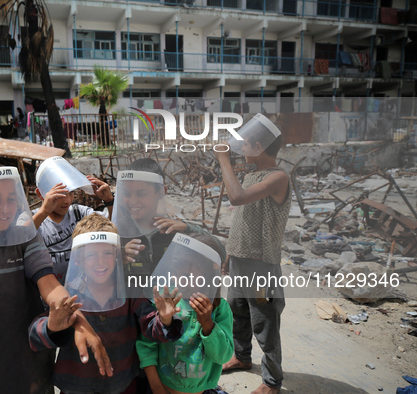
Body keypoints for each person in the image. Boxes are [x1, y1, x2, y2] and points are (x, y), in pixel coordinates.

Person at [0, 163, 113, 394]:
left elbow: (50, 285)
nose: (6, 208)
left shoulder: (26, 242)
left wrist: (75, 317)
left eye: (12, 198)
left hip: (33, 374)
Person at [29, 213, 184, 394]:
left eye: (107, 253)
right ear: (78, 259)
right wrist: (51, 326)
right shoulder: (68, 293)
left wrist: (165, 319)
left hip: (123, 384)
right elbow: (34, 336)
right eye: (92, 254)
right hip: (76, 387)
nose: (100, 262)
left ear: (117, 255)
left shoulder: (129, 291)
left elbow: (151, 326)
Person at [214, 114, 291, 394]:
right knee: (238, 313)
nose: (241, 149)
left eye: (245, 144)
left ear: (259, 147)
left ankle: (272, 381)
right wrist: (231, 254)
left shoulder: (278, 177)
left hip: (261, 265)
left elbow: (237, 198)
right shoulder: (252, 174)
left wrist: (223, 160)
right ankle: (242, 356)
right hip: (241, 261)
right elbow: (243, 218)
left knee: (265, 322)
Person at [136, 233, 234, 394]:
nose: (182, 271)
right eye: (178, 263)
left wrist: (208, 325)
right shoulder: (165, 300)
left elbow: (223, 357)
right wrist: (156, 387)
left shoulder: (220, 309)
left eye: (192, 265)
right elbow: (146, 346)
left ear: (210, 272)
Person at [113, 158, 226, 295]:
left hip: (173, 310)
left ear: (161, 192)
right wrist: (120, 259)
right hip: (135, 311)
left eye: (141, 194)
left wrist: (188, 229)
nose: (132, 201)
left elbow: (219, 252)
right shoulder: (117, 232)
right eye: (126, 194)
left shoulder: (174, 231)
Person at [33, 156, 114, 284]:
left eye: (70, 193)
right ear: (41, 194)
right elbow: (19, 238)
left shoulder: (79, 213)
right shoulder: (33, 219)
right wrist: (44, 211)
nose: (67, 200)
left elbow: (111, 227)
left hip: (81, 292)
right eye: (60, 194)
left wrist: (109, 201)